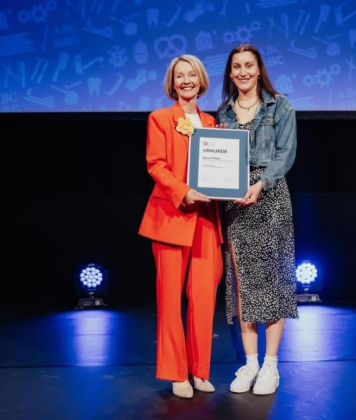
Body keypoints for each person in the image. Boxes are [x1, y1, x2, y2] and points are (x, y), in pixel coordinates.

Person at [138, 54, 223, 399]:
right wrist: (183, 191)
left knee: (203, 297)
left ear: (201, 80)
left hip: (206, 220)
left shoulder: (213, 122)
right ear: (172, 84)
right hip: (171, 217)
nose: (186, 81)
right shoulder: (160, 118)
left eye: (191, 75)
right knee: (170, 300)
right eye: (179, 76)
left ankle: (199, 369)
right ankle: (176, 373)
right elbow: (156, 165)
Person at [216, 44, 299, 395]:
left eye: (249, 65)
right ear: (230, 73)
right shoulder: (223, 112)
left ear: (259, 69)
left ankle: (270, 366)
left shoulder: (280, 105)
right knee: (243, 283)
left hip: (271, 196)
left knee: (272, 282)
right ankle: (250, 363)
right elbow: (218, 160)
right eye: (237, 67)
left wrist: (261, 183)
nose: (243, 72)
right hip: (236, 201)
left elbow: (286, 154)